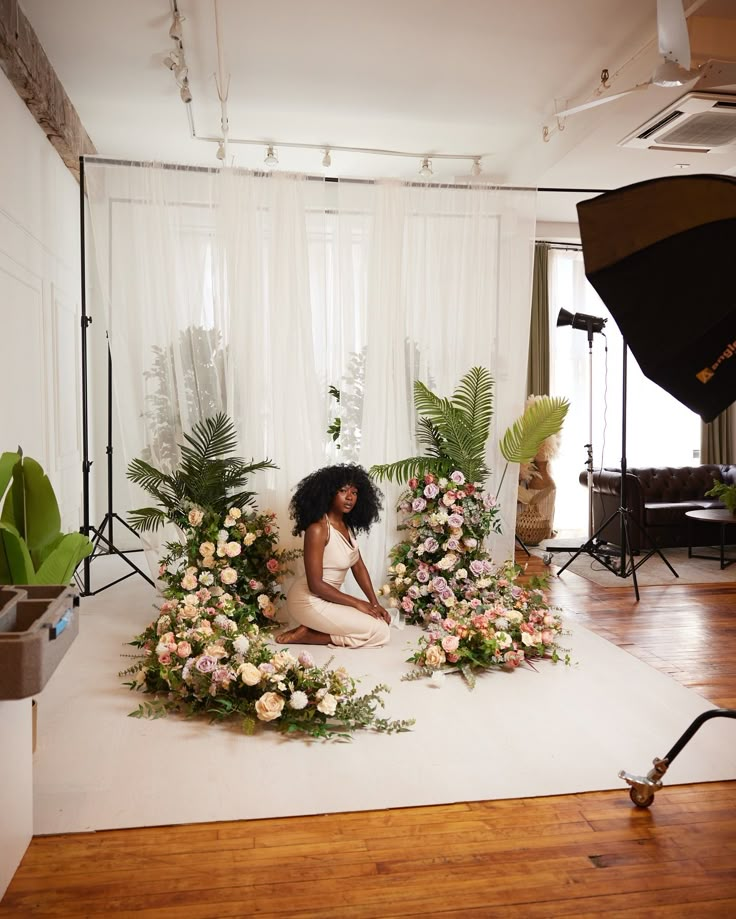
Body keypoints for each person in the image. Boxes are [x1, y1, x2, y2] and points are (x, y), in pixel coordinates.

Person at [276, 464, 390, 647]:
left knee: (381, 623)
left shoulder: (347, 527)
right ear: (329, 493)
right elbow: (315, 585)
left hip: (330, 600)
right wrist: (357, 603)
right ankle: (309, 636)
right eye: (343, 491)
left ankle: (313, 629)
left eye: (355, 492)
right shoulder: (318, 529)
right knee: (380, 632)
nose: (350, 497)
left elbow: (358, 567)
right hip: (308, 600)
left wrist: (374, 604)